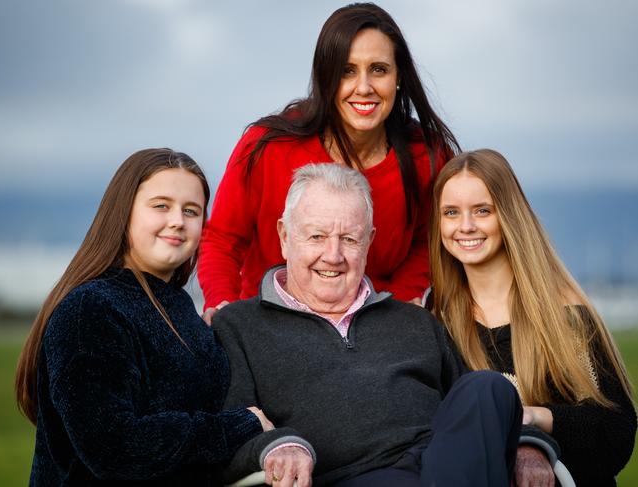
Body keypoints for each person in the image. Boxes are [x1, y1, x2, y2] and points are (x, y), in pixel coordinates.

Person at [212, 162, 541, 487]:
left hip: (441, 464)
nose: (333, 255)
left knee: (488, 387)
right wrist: (278, 444)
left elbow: (477, 420)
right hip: (352, 476)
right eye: (317, 236)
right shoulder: (239, 326)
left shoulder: (415, 321)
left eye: (349, 240)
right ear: (285, 236)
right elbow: (226, 436)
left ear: (369, 241)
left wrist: (528, 446)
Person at [15, 149, 275, 485]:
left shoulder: (178, 306)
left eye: (191, 211)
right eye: (161, 206)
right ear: (123, 213)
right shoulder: (91, 310)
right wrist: (238, 426)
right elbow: (115, 447)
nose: (178, 220)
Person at [199, 2, 460, 323]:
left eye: (378, 69)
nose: (363, 87)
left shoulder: (427, 156)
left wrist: (398, 311)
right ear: (326, 77)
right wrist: (224, 309)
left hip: (372, 330)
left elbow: (427, 244)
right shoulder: (267, 145)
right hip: (268, 329)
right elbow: (223, 239)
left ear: (399, 77)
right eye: (347, 71)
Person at [425, 149, 637, 487]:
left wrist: (533, 418)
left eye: (482, 211)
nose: (465, 226)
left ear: (508, 215)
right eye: (451, 212)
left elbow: (616, 434)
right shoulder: (434, 322)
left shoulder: (564, 313)